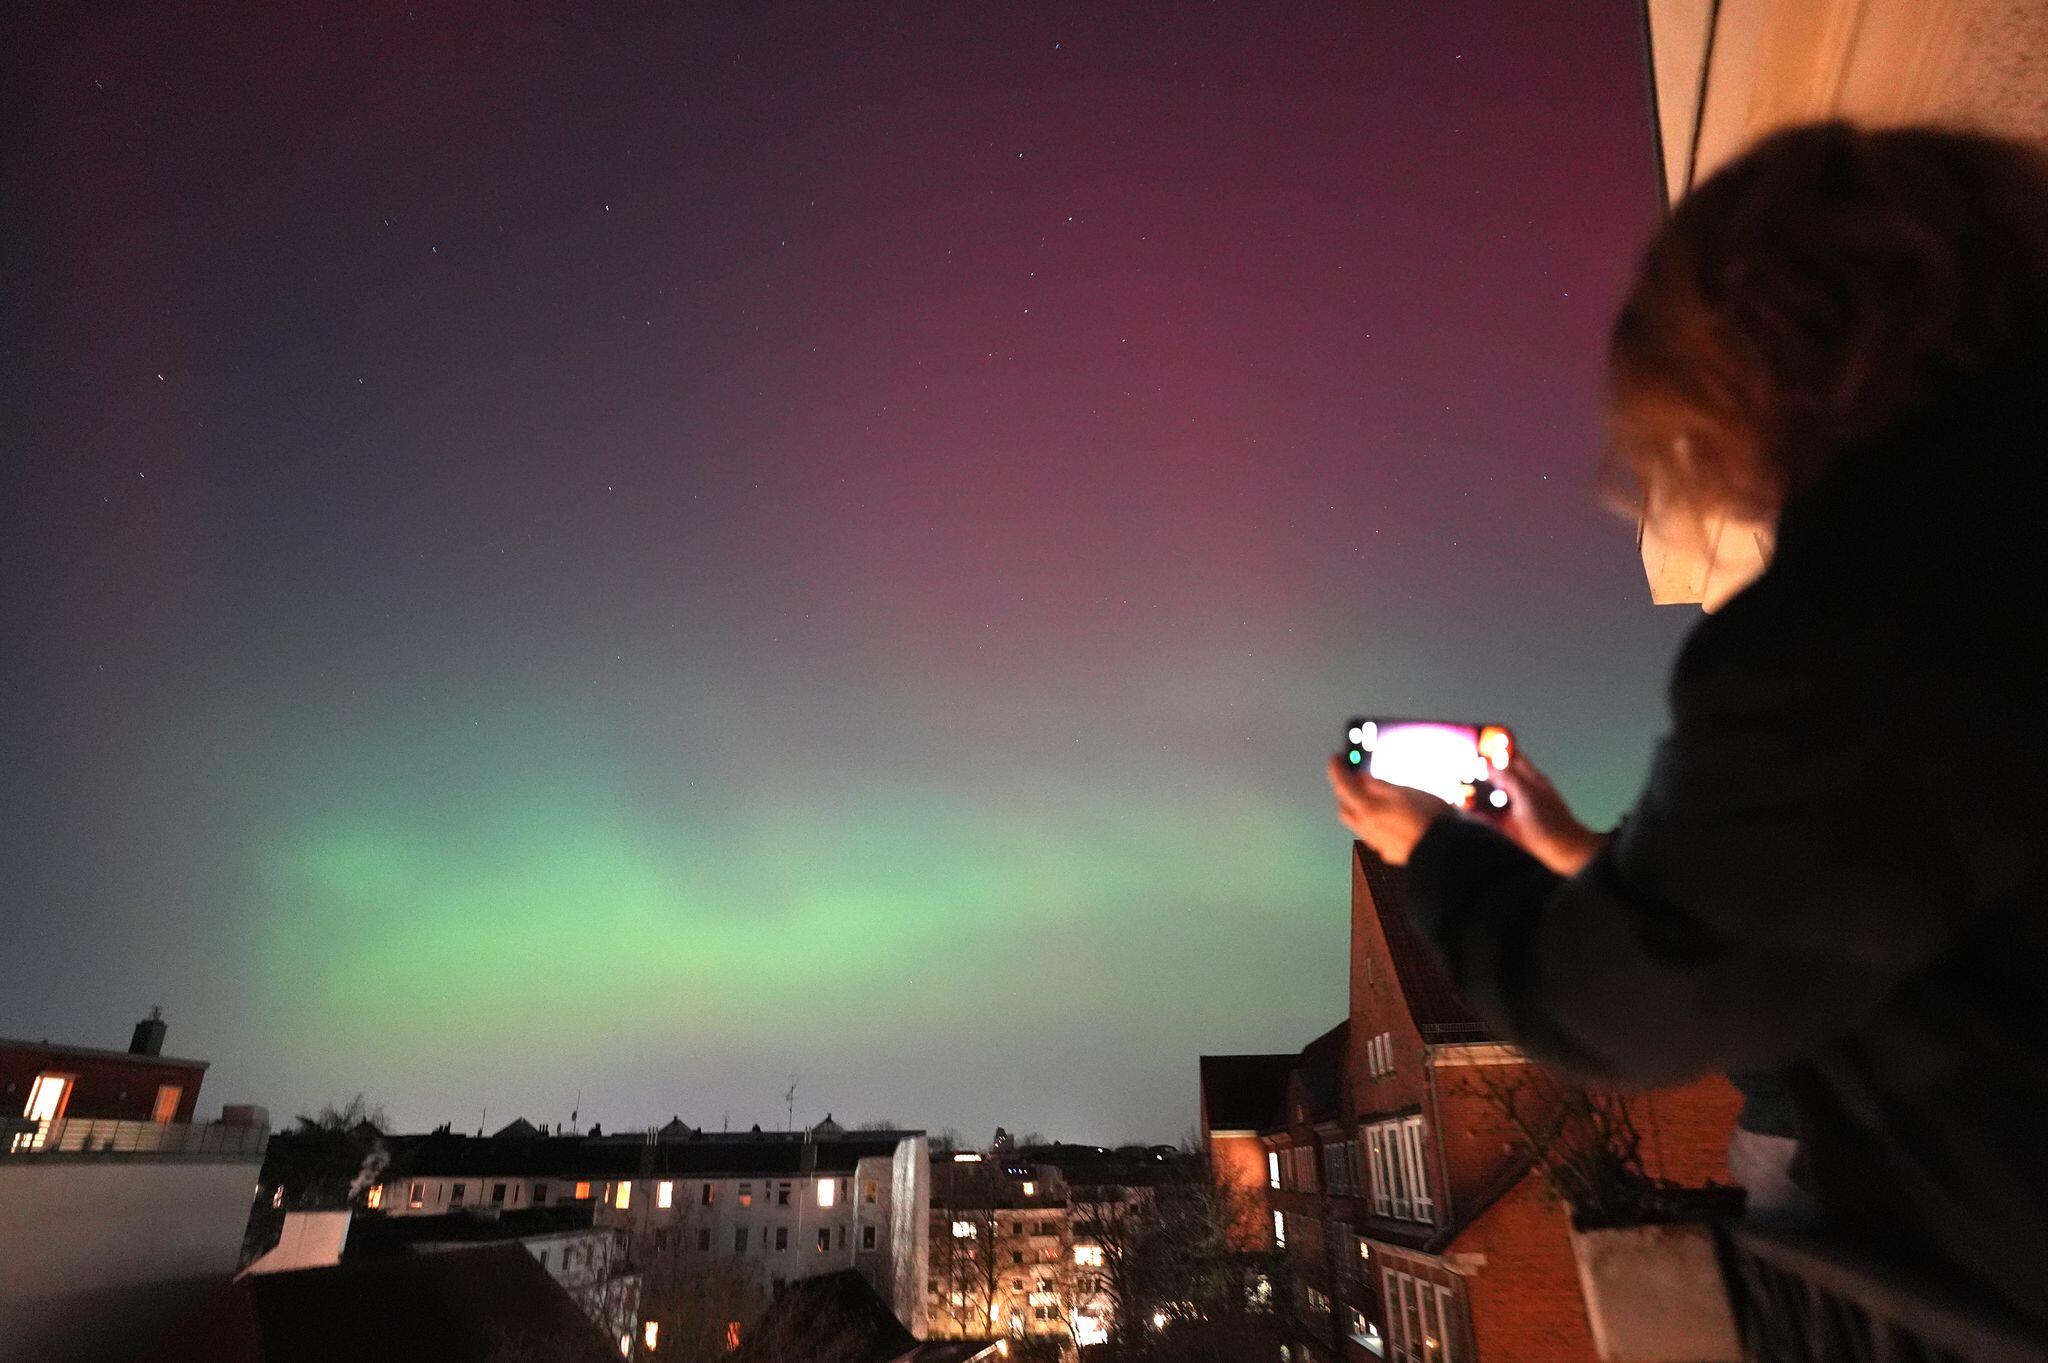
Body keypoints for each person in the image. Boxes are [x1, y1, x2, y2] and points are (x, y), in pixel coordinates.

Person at [1327, 122, 2048, 1323]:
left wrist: (1432, 853)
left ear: (1739, 371)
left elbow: (1619, 1004)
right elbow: (1848, 877)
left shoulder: (1862, 619)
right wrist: (1571, 850)